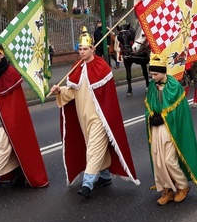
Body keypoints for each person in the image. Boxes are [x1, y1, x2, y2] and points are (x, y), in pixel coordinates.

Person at [49, 29, 139, 198]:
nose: (82, 52)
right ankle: (104, 176)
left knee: (94, 148)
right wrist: (58, 90)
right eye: (80, 50)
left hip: (99, 117)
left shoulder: (102, 66)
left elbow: (108, 97)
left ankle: (87, 183)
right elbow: (71, 92)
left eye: (85, 49)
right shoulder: (77, 68)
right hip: (83, 117)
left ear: (92, 49)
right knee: (93, 146)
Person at [0, 43, 48, 198]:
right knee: (9, 148)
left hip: (6, 120)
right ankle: (19, 173)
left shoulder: (10, 73)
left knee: (0, 150)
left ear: (2, 55)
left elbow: (14, 104)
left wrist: (10, 119)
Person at [145, 53, 197, 205]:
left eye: (155, 74)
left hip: (170, 130)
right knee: (158, 161)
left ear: (163, 72)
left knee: (169, 160)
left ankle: (183, 186)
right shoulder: (152, 87)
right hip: (156, 129)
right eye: (151, 74)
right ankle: (166, 190)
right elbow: (148, 106)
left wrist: (164, 117)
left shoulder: (174, 86)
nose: (153, 77)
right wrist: (151, 116)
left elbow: (180, 112)